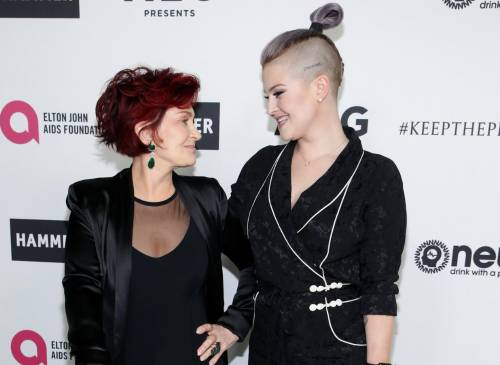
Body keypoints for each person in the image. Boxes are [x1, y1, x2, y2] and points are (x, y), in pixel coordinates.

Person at [203, 3, 407, 365]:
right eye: (266, 95)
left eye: (278, 93)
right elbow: (246, 259)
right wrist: (235, 322)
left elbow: (379, 290)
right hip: (268, 349)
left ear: (320, 87)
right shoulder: (261, 167)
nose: (270, 107)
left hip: (338, 351)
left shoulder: (375, 176)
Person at [62, 67, 256, 365]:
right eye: (184, 121)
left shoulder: (208, 199)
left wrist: (235, 324)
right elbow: (83, 308)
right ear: (146, 132)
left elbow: (257, 264)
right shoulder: (92, 205)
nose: (197, 132)